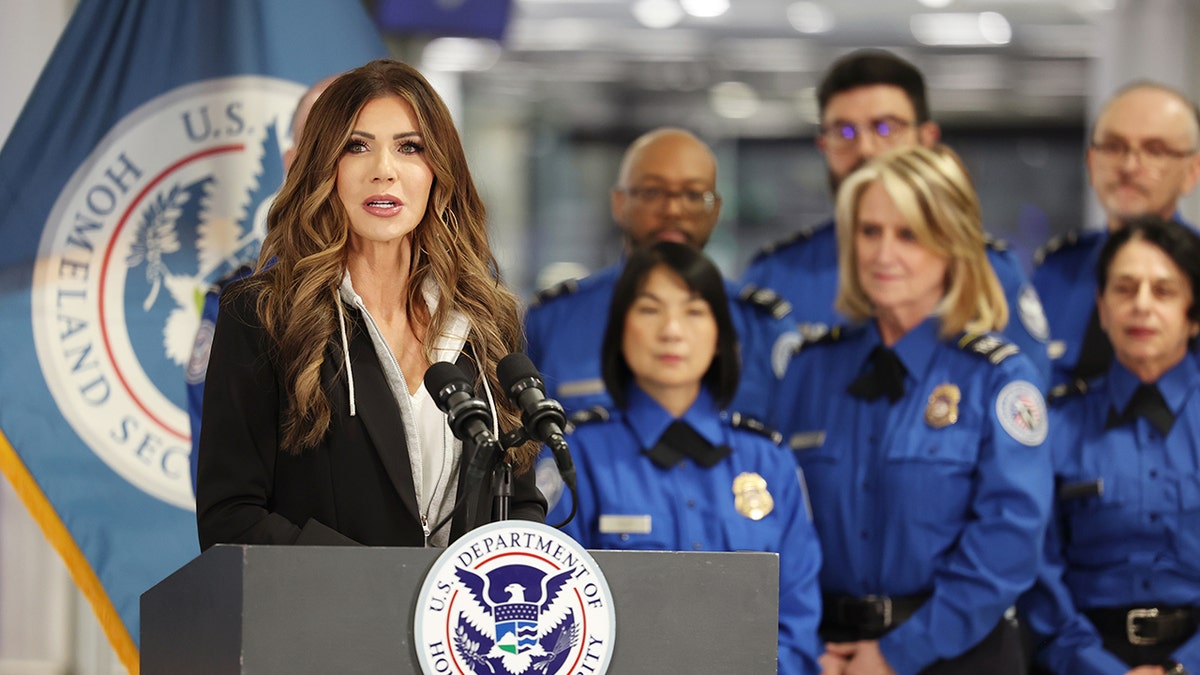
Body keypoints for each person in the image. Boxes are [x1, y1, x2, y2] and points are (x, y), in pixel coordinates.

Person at [195, 59, 545, 550]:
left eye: (410, 147)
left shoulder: (486, 318)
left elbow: (520, 499)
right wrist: (380, 588)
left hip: (459, 622)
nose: (384, 171)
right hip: (326, 620)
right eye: (356, 147)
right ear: (323, 168)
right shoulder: (260, 314)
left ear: (437, 171)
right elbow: (230, 519)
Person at [772, 144, 1052, 674]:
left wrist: (896, 654)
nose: (883, 254)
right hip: (828, 657)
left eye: (908, 235)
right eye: (869, 231)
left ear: (951, 245)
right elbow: (781, 527)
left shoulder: (999, 378)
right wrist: (802, 648)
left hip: (958, 655)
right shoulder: (810, 370)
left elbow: (1009, 543)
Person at [547, 241, 823, 674]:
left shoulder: (769, 461)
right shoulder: (574, 457)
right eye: (650, 310)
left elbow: (796, 624)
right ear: (621, 330)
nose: (672, 330)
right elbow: (556, 620)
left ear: (720, 336)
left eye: (694, 311)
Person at [742, 48, 1050, 388]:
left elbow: (1026, 408)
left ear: (927, 139)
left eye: (886, 127)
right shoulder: (774, 276)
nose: (866, 150)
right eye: (844, 132)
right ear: (823, 146)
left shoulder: (986, 269)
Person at [1020, 217, 1200, 675]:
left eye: (1163, 292)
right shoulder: (1055, 425)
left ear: (1193, 315)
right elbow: (1038, 576)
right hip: (1082, 660)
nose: (1141, 306)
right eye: (1124, 289)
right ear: (1101, 308)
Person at [525, 127, 795, 423]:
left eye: (693, 195)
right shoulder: (552, 321)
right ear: (619, 203)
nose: (673, 209)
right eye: (652, 192)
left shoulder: (761, 326)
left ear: (715, 210)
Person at [185, 73, 338, 495]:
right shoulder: (246, 305)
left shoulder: (452, 299)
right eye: (326, 142)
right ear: (292, 163)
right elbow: (225, 491)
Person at [1034, 82, 1200, 390]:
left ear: (1192, 171)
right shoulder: (1056, 272)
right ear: (1091, 161)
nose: (1129, 166)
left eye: (1155, 151)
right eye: (1113, 147)